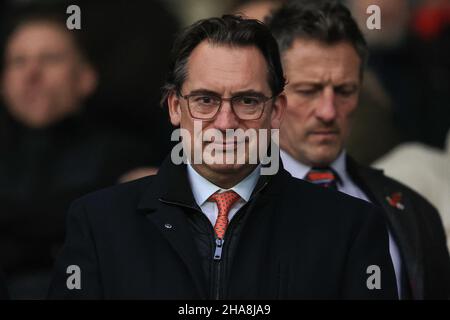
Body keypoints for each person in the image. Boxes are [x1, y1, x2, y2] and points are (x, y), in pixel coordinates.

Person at [48, 15, 397, 299]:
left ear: (276, 111)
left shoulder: (349, 228)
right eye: (205, 100)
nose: (226, 122)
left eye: (247, 101)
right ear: (174, 107)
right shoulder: (99, 222)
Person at [266, 0, 450, 299]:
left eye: (345, 91)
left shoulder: (411, 211)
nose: (328, 111)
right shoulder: (214, 207)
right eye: (308, 90)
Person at [0, 6, 159, 299]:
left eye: (50, 58)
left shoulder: (124, 153)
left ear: (86, 77)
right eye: (18, 61)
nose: (32, 72)